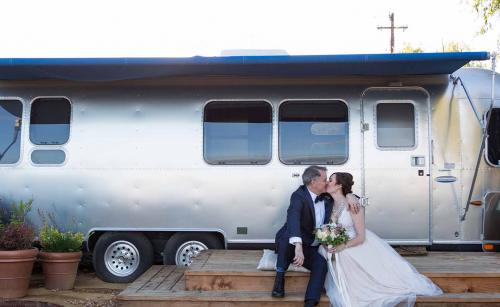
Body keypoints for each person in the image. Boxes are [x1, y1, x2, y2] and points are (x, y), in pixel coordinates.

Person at [320, 172, 443, 307]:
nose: (327, 182)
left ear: (339, 185)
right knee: (327, 252)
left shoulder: (354, 205)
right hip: (337, 242)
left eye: (330, 180)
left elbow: (361, 237)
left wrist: (342, 246)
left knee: (344, 255)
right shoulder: (328, 201)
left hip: (354, 242)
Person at [272, 166, 360, 307]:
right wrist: (298, 245)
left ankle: (311, 301)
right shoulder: (298, 196)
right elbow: (293, 218)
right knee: (286, 236)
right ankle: (279, 277)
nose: (327, 182)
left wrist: (351, 196)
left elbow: (344, 193)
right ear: (314, 182)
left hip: (311, 244)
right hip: (291, 241)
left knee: (321, 263)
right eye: (325, 179)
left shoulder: (326, 194)